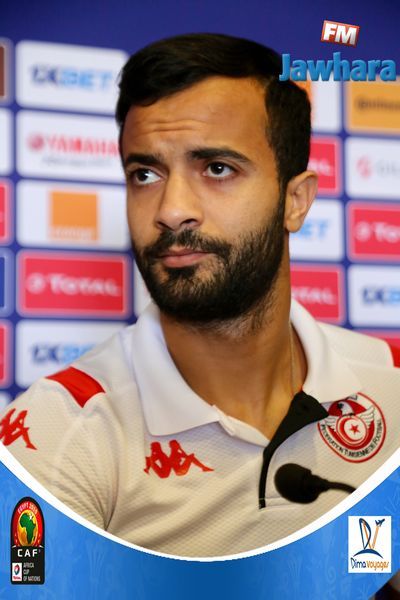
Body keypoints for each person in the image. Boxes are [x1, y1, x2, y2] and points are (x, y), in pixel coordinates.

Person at [1, 34, 400, 562]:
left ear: (296, 201)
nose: (171, 210)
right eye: (145, 174)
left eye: (216, 168)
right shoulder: (58, 432)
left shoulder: (390, 384)